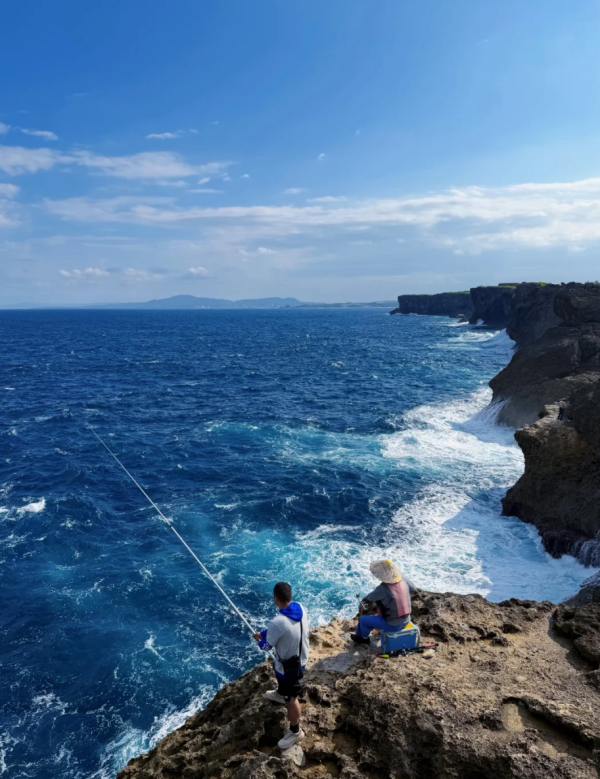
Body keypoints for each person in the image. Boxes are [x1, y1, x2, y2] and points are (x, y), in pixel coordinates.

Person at [254, 582, 309, 750]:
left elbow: (266, 646)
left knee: (291, 699)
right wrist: (263, 634)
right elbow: (279, 631)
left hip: (289, 669)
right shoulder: (300, 607)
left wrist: (259, 640)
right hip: (301, 659)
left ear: (275, 598)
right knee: (283, 686)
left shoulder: (278, 622)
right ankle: (280, 693)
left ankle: (295, 731)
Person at [351, 559, 416, 646]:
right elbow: (413, 588)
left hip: (393, 625)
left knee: (363, 620)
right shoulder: (404, 580)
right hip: (407, 620)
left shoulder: (383, 588)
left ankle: (362, 638)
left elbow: (369, 599)